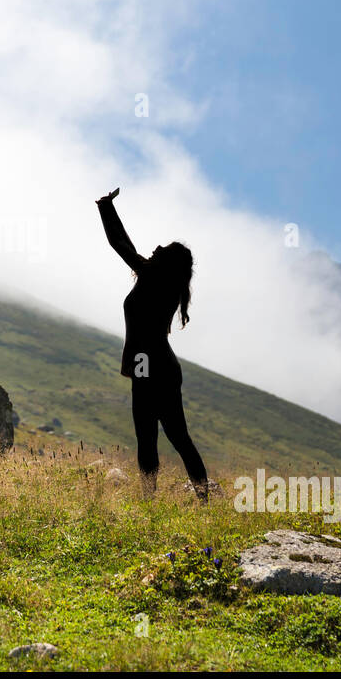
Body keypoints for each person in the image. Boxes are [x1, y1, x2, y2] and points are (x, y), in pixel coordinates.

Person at [96, 187, 211, 502]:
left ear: (167, 263)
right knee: (174, 437)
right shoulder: (162, 282)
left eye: (164, 248)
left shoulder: (152, 277)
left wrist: (106, 207)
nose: (157, 246)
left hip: (150, 365)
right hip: (157, 364)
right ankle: (199, 498)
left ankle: (155, 499)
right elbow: (125, 245)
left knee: (151, 436)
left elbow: (120, 244)